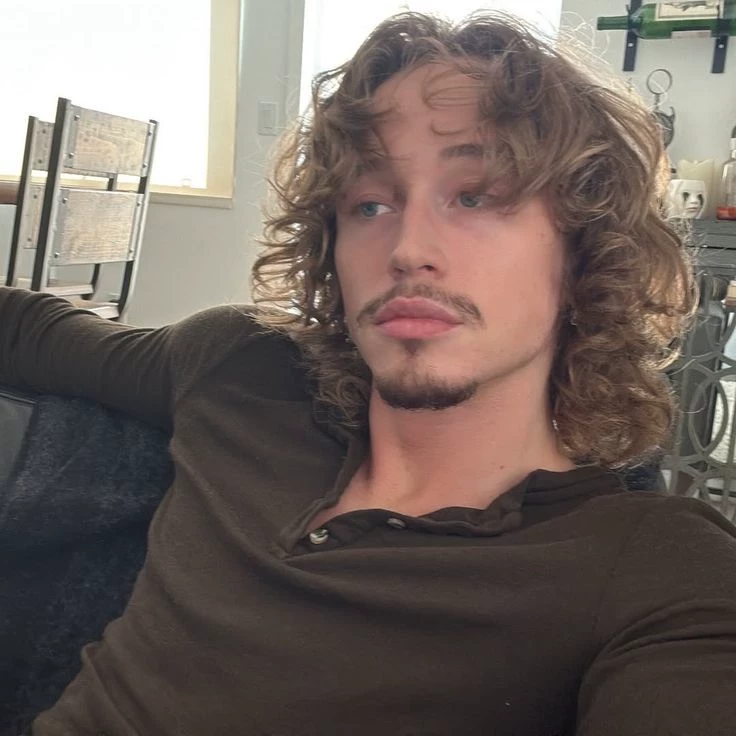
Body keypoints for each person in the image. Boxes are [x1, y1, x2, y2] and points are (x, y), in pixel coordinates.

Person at [2, 10, 735, 736]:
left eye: (474, 195)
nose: (408, 248)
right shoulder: (241, 369)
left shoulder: (652, 569)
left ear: (585, 253)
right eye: (370, 204)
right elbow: (29, 328)